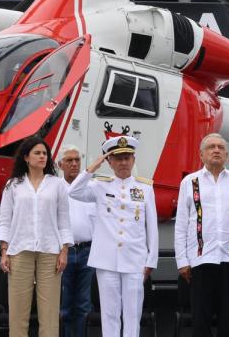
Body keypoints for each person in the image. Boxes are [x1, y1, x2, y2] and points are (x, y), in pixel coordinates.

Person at [68, 136, 158, 337]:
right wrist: (92, 167)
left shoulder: (145, 188)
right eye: (118, 158)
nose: (123, 162)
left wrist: (151, 259)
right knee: (109, 313)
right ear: (109, 162)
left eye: (127, 157)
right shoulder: (99, 185)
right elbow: (73, 192)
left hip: (135, 259)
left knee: (133, 313)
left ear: (134, 159)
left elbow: (151, 226)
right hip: (107, 260)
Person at [174, 133, 229, 337]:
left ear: (227, 154)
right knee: (200, 322)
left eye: (220, 147)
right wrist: (182, 260)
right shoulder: (189, 182)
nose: (216, 150)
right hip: (200, 259)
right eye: (211, 147)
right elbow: (182, 224)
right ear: (201, 154)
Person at [0, 136, 73, 337]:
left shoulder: (57, 185)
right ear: (26, 157)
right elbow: (5, 220)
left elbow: (64, 220)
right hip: (19, 251)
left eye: (45, 153)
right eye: (37, 153)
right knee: (18, 312)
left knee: (49, 313)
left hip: (50, 252)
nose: (42, 157)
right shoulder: (13, 185)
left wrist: (64, 250)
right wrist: (4, 252)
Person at [57, 145, 96, 337]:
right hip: (62, 252)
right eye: (69, 160)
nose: (74, 164)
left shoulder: (91, 188)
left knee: (83, 304)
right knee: (63, 305)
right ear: (60, 164)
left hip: (88, 251)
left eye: (77, 160)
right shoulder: (54, 188)